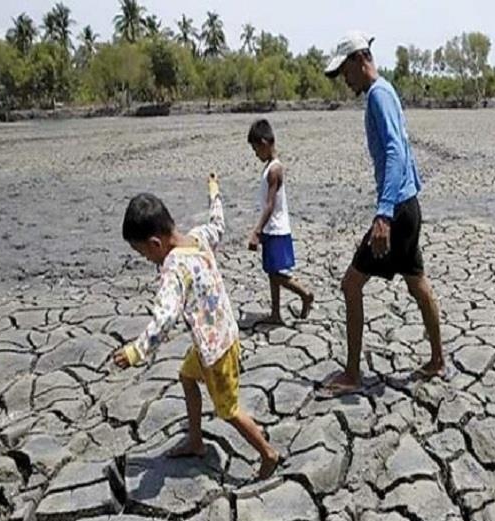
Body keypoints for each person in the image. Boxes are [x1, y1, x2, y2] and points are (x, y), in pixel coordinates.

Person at [113, 174, 280, 479]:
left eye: (143, 253)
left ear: (155, 242)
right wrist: (214, 190)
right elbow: (218, 222)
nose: (147, 259)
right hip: (219, 337)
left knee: (228, 410)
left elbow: (165, 317)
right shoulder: (199, 237)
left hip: (216, 351)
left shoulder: (174, 267)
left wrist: (137, 351)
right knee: (186, 377)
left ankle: (268, 453)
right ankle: (195, 440)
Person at [318, 31, 445, 397]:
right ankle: (437, 360)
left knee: (351, 284)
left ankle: (352, 373)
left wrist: (384, 214)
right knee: (417, 283)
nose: (345, 79)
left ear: (361, 59)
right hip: (409, 205)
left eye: (345, 70)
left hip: (398, 210)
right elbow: (404, 151)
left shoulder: (378, 95)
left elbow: (393, 151)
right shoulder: (385, 92)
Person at [247, 118, 314, 325]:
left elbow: (270, 204)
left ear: (265, 143)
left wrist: (256, 231)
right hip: (272, 227)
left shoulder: (275, 169)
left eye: (256, 149)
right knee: (271, 272)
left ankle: (304, 294)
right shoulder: (270, 166)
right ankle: (275, 313)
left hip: (275, 228)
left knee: (276, 274)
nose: (256, 154)